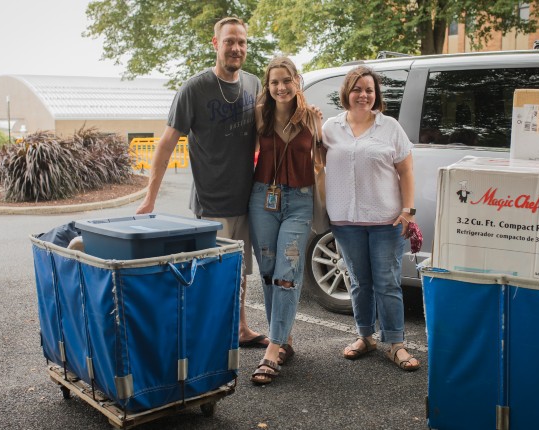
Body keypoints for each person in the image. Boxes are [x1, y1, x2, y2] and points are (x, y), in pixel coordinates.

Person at [135, 17, 268, 348]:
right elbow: (166, 144)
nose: (236, 48)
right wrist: (150, 197)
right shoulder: (193, 89)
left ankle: (240, 328)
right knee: (210, 275)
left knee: (239, 272)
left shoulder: (253, 84)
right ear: (215, 44)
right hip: (212, 202)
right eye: (229, 42)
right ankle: (205, 339)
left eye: (241, 42)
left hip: (247, 199)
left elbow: (264, 134)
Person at [321, 66, 420, 371]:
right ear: (346, 93)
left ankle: (395, 343)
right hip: (345, 221)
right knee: (359, 283)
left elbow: (406, 171)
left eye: (369, 90)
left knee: (387, 283)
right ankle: (365, 336)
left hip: (386, 221)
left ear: (376, 95)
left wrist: (408, 210)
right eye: (357, 89)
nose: (363, 95)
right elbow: (314, 163)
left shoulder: (389, 127)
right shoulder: (329, 128)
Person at [248, 57, 322, 385]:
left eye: (286, 80)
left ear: (297, 82)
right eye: (275, 81)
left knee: (287, 274)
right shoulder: (258, 116)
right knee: (267, 272)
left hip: (299, 202)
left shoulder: (313, 118)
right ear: (269, 85)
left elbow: (326, 157)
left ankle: (272, 348)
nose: (281, 87)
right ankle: (284, 339)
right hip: (263, 199)